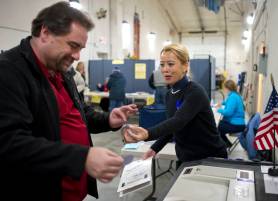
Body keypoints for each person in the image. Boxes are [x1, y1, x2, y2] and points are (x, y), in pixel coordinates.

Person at [0, 2, 138, 201]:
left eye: (81, 48)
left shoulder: (60, 69)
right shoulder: (9, 72)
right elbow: (10, 143)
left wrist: (108, 119)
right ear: (45, 33)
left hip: (72, 189)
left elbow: (79, 111)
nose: (77, 56)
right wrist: (81, 157)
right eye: (73, 46)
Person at [123, 44, 227, 166]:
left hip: (209, 158)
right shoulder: (170, 94)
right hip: (186, 157)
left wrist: (147, 133)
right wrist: (155, 148)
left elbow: (178, 121)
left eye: (171, 64)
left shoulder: (195, 92)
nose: (165, 69)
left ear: (185, 66)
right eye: (162, 65)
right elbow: (172, 128)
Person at [216, 80, 246, 148]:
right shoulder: (234, 95)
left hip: (237, 125)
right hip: (238, 124)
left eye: (224, 88)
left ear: (227, 88)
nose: (224, 89)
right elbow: (229, 103)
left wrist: (218, 110)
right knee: (219, 124)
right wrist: (222, 103)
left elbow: (228, 113)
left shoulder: (233, 97)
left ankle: (223, 145)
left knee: (217, 127)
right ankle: (226, 144)